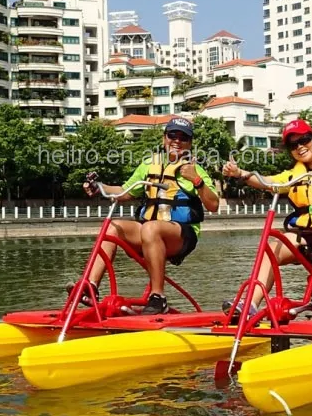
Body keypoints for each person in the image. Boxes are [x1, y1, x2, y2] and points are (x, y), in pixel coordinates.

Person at [71, 116, 220, 315]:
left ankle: (158, 297)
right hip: (150, 233)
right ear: (164, 138)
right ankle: (90, 287)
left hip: (181, 235)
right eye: (172, 135)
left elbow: (213, 205)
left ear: (190, 143)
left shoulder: (195, 170)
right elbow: (125, 191)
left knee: (151, 227)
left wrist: (197, 180)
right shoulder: (149, 165)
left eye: (183, 137)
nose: (177, 140)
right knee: (113, 227)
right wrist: (98, 187)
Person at [221, 118, 312, 318]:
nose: (300, 147)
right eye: (293, 144)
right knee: (272, 246)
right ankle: (251, 305)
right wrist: (239, 173)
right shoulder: (293, 175)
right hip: (306, 236)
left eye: (304, 140)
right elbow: (266, 182)